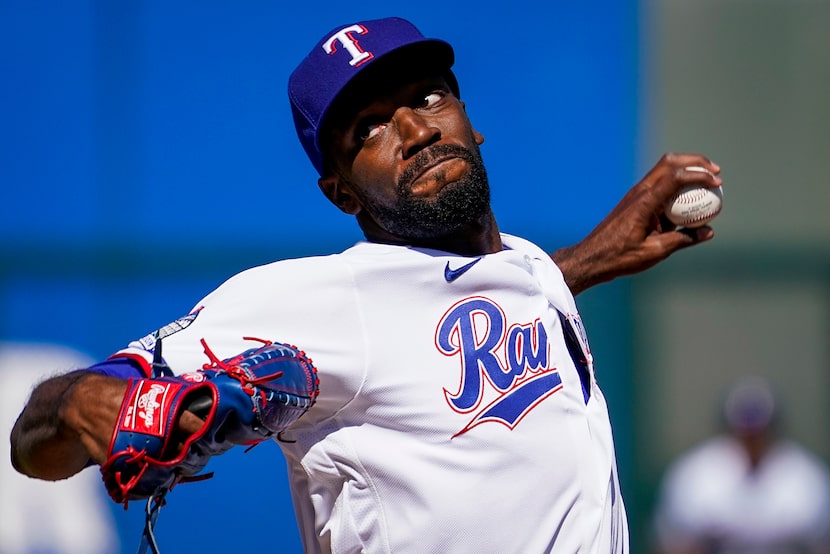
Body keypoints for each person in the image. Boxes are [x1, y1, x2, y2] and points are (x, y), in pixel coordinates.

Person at [10, 17, 722, 553]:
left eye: (429, 96)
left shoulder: (528, 267)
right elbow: (33, 438)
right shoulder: (321, 300)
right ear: (339, 193)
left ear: (472, 126)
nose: (413, 128)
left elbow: (478, 303)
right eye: (369, 128)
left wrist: (594, 257)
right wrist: (78, 403)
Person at [652, 376, 830, 554]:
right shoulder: (695, 474)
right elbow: (673, 546)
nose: (752, 439)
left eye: (759, 431)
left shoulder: (806, 477)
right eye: (745, 430)